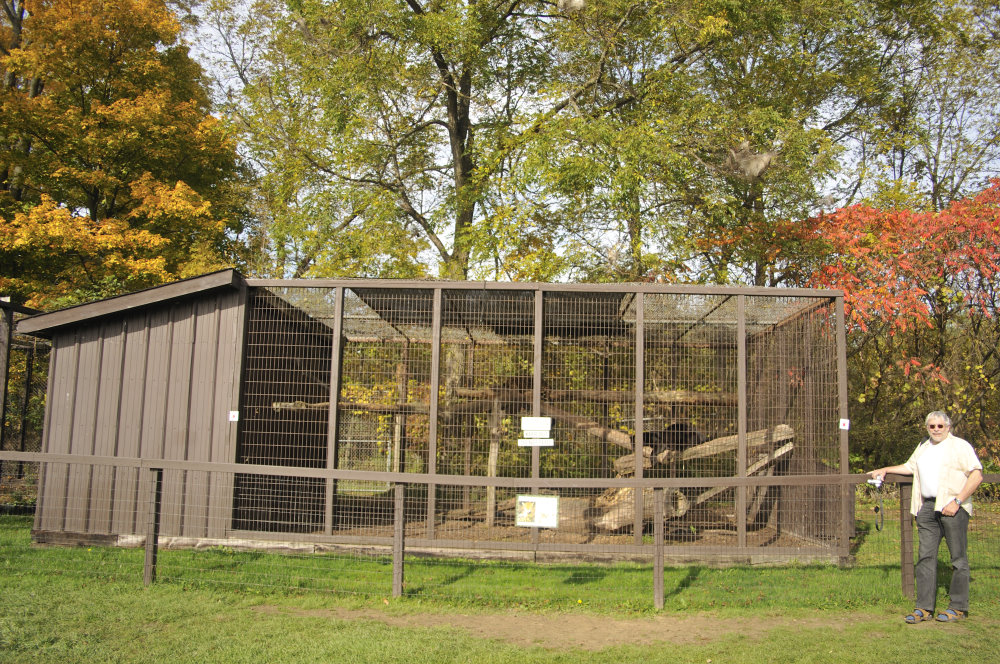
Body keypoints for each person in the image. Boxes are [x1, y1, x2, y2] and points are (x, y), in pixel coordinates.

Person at [869, 411, 983, 623]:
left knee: (958, 558)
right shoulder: (924, 446)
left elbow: (976, 475)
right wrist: (884, 469)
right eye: (932, 426)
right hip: (927, 507)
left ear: (948, 427)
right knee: (925, 557)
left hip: (952, 507)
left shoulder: (960, 446)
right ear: (927, 428)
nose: (936, 429)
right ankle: (924, 607)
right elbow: (909, 467)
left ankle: (958, 607)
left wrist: (957, 501)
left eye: (940, 426)